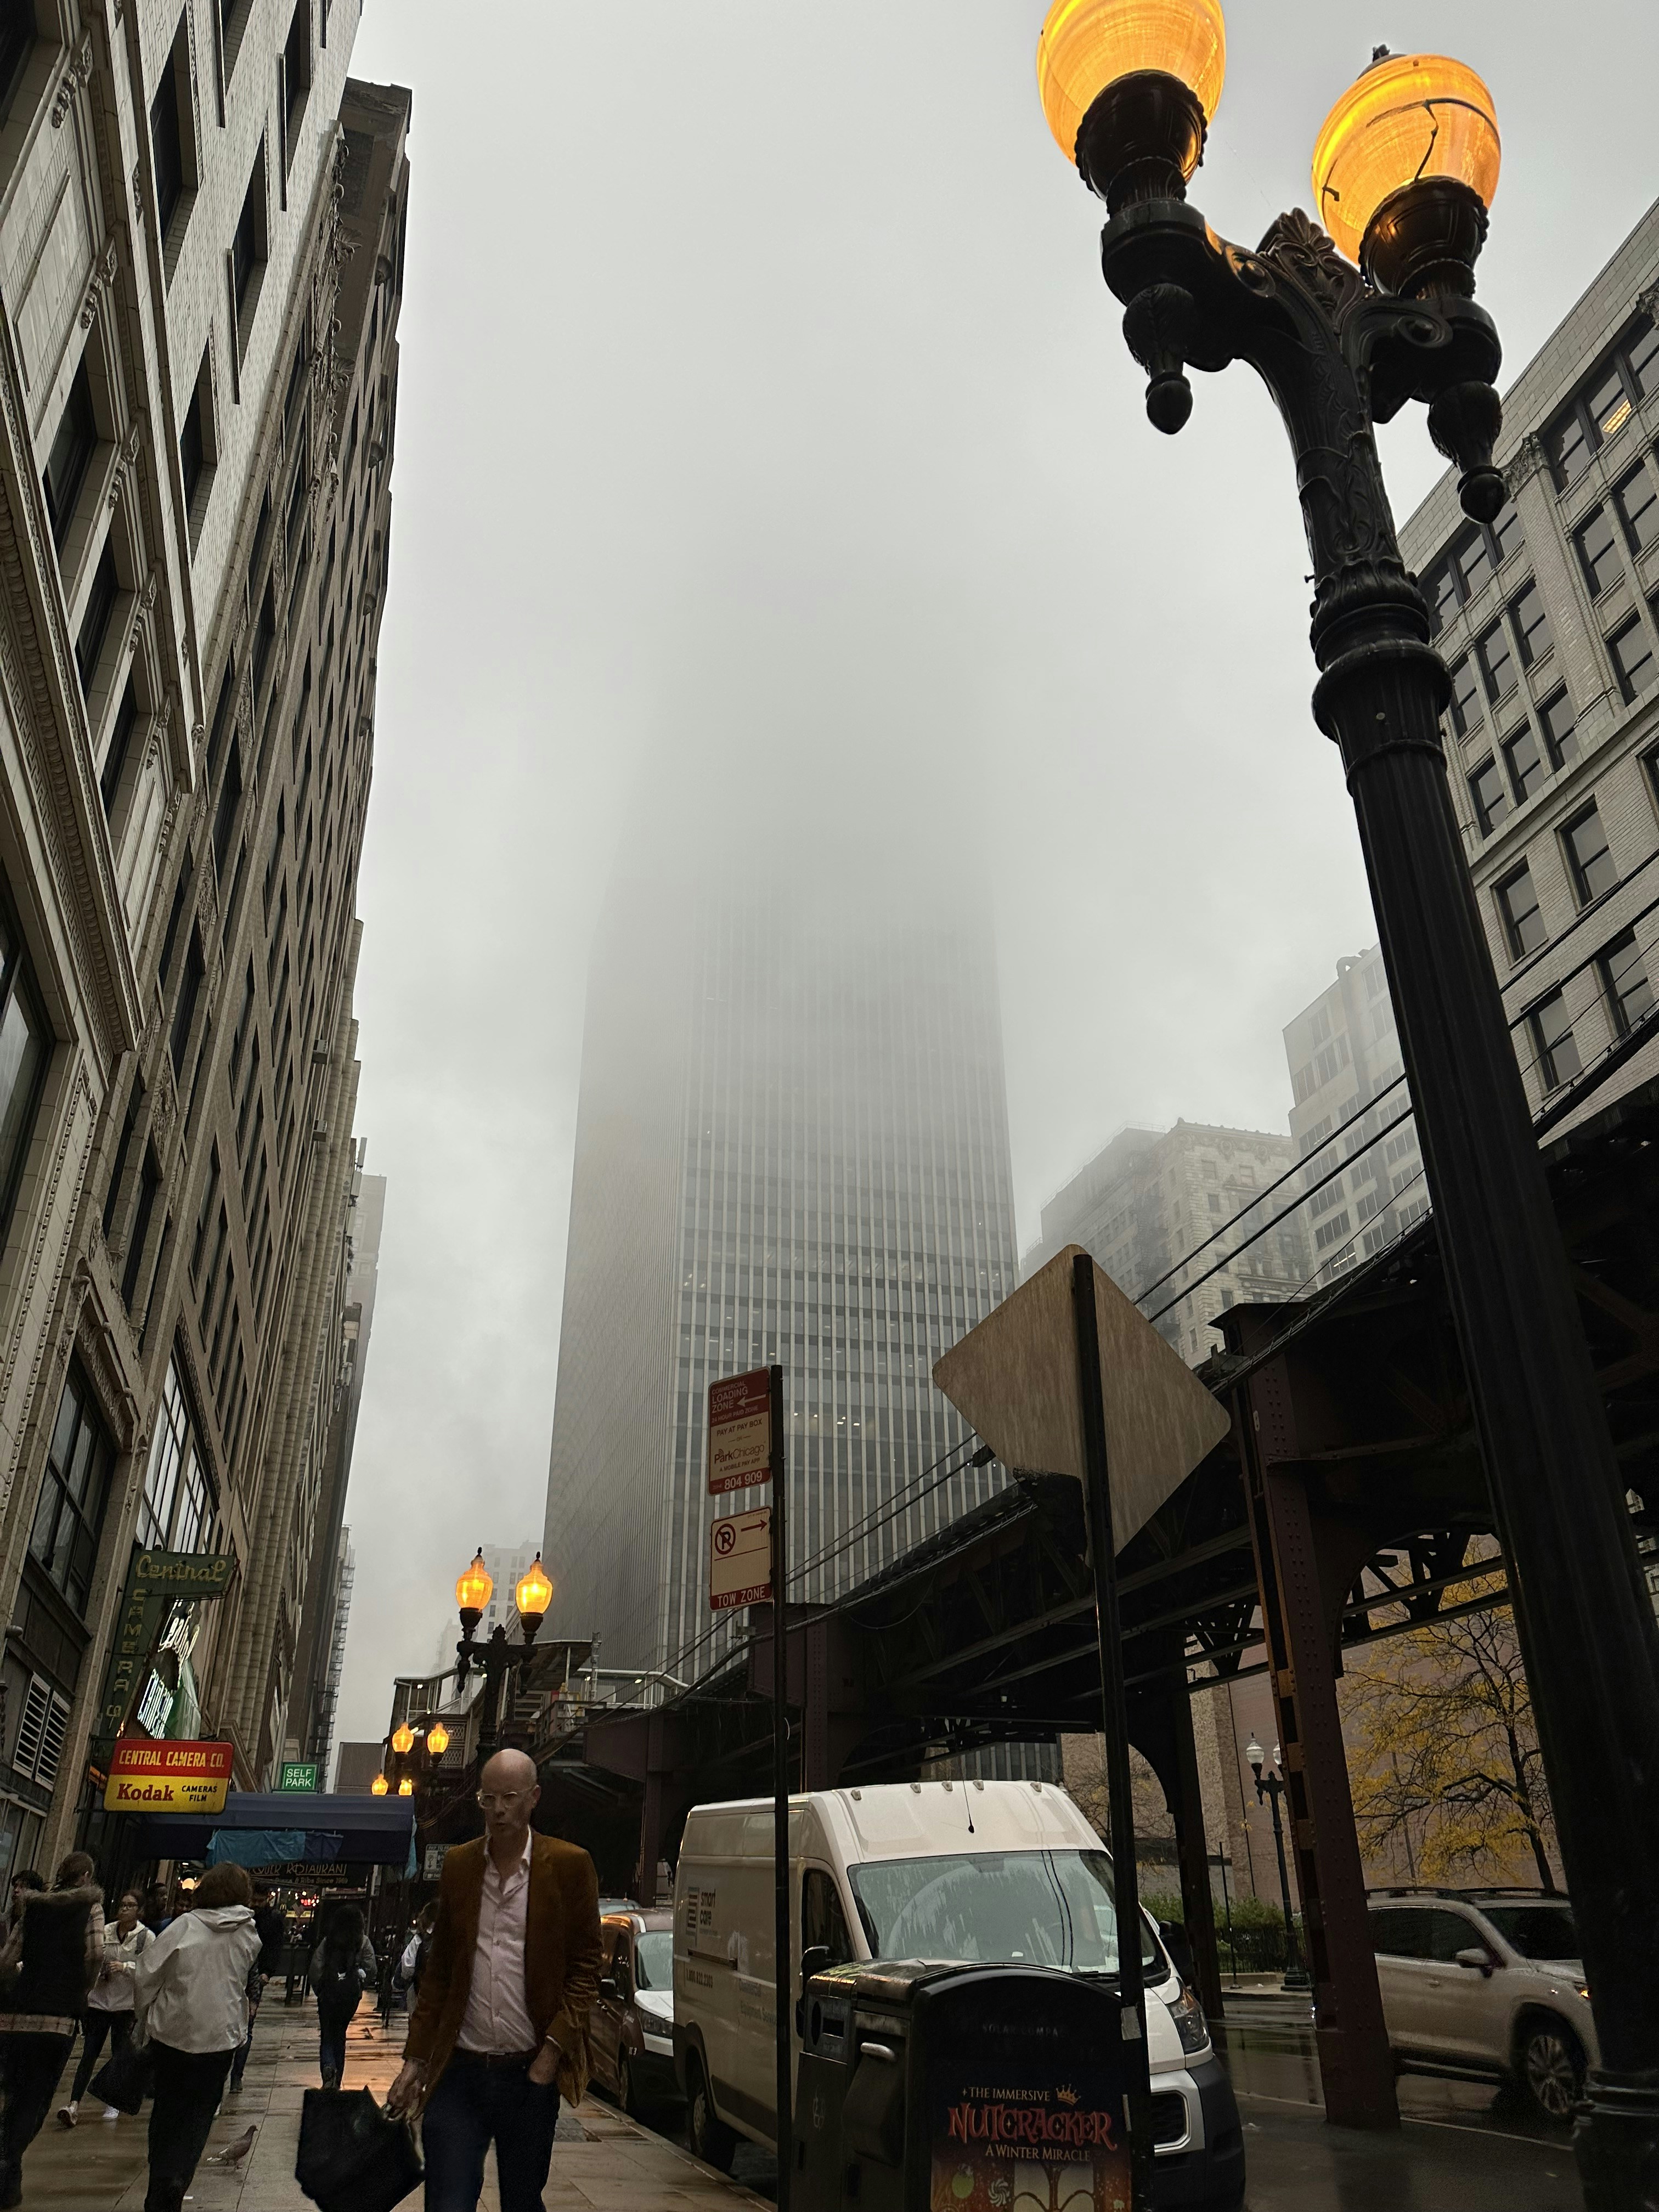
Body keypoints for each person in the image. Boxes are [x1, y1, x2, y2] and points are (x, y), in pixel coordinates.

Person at [387, 1748, 602, 2212]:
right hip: (459, 2071)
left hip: (528, 2073)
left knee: (522, 2201)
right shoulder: (461, 1866)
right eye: (489, 1798)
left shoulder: (569, 1865)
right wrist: (415, 2060)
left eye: (510, 1798)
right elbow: (441, 1972)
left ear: (533, 1799)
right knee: (446, 2200)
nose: (499, 1810)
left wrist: (551, 2056)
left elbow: (587, 1967)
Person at [134, 1861, 261, 2212]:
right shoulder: (249, 1934)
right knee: (199, 2116)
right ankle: (179, 2178)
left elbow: (146, 1974)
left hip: (175, 2036)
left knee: (168, 2113)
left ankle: (161, 2181)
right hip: (221, 2039)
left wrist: (145, 2018)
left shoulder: (184, 1927)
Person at [0, 1851, 104, 2206]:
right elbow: (95, 1954)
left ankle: (6, 2157)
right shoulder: (90, 1907)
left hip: (17, 2016)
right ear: (86, 1878)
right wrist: (82, 1989)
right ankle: (9, 2163)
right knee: (37, 2097)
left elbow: (7, 1960)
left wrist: (18, 1984)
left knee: (14, 2092)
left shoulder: (35, 1907)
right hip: (58, 2020)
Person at [58, 1888, 152, 2126]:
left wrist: (126, 1967)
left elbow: (151, 1970)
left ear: (139, 1911)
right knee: (89, 2054)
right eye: (122, 1904)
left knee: (120, 2055)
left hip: (125, 2006)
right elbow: (91, 1957)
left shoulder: (146, 1938)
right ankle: (73, 2104)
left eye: (130, 1905)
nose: (124, 1909)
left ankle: (113, 2102)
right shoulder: (107, 1931)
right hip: (100, 2003)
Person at [308, 1904, 376, 2088]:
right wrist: (361, 1984)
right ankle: (337, 2079)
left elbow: (315, 1968)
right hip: (350, 1997)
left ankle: (328, 2068)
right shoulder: (363, 1942)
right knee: (340, 2034)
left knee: (327, 2035)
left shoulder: (328, 1942)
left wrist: (319, 1990)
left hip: (328, 1994)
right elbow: (372, 1969)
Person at [227, 1884, 287, 2094]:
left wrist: (267, 1973)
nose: (258, 1904)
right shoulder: (244, 1917)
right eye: (255, 1900)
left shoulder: (272, 1919)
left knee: (247, 2027)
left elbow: (275, 1947)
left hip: (255, 1976)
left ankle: (237, 2076)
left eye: (261, 1900)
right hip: (235, 1975)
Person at [2, 1872, 43, 1943]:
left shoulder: (37, 1920)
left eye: (22, 1887)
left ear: (33, 1892)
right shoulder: (7, 1917)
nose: (16, 1890)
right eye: (15, 1886)